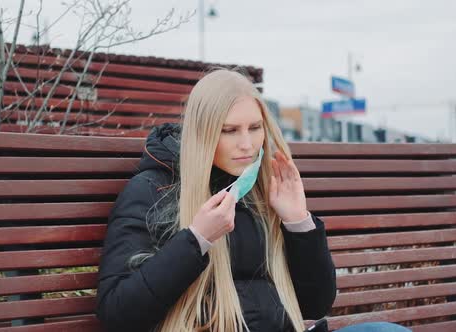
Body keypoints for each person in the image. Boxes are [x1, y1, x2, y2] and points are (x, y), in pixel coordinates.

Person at [95, 69, 411, 332]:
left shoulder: (261, 187)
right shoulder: (154, 190)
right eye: (230, 130)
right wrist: (196, 240)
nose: (247, 144)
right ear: (203, 133)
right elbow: (118, 314)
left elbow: (314, 304)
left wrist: (298, 223)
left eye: (255, 128)